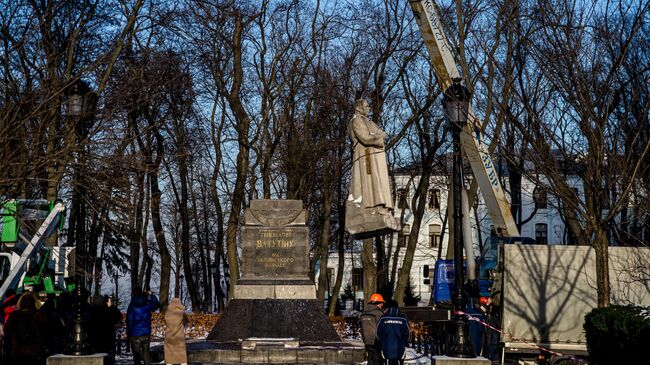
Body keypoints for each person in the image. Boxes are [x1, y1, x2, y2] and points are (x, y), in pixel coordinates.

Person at [345, 98, 399, 236]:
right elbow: (365, 138)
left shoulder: (367, 121)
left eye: (369, 106)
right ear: (358, 107)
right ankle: (371, 208)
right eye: (366, 106)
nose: (369, 108)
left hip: (372, 155)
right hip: (365, 156)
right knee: (368, 184)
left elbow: (380, 133)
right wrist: (379, 138)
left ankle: (379, 207)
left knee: (376, 183)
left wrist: (377, 136)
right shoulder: (356, 120)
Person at [3, 293, 42, 365]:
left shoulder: (14, 315)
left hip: (17, 352)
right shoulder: (38, 315)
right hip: (34, 352)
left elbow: (7, 332)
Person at [127, 287, 160, 365]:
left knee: (136, 356)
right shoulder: (147, 305)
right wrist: (151, 295)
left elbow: (129, 321)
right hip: (145, 333)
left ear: (134, 293)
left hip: (135, 334)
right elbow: (156, 304)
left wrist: (129, 333)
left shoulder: (131, 306)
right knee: (146, 354)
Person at [89, 295, 122, 364]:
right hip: (108, 340)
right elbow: (118, 317)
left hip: (94, 341)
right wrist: (111, 306)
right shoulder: (108, 311)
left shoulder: (91, 311)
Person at [360, 293, 385, 365]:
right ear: (377, 303)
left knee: (370, 359)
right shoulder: (378, 313)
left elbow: (362, 328)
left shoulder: (364, 313)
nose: (382, 305)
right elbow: (382, 327)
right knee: (377, 360)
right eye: (381, 303)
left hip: (366, 341)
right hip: (376, 341)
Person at [164, 297, 188, 365]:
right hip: (179, 336)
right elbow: (186, 321)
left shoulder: (167, 312)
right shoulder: (181, 312)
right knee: (181, 354)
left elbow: (165, 322)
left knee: (169, 354)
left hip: (169, 336)